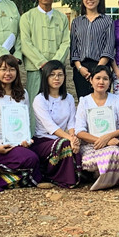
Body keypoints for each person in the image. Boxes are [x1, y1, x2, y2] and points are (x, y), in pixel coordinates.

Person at [0, 54, 41, 190]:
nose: (8, 73)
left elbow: (24, 120)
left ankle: (6, 174)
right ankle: (1, 174)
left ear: (17, 72)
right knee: (30, 159)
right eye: (3, 69)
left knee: (35, 158)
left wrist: (25, 140)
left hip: (18, 143)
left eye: (12, 69)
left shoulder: (23, 93)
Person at [72, 64, 119, 190]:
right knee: (93, 161)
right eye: (97, 78)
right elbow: (79, 131)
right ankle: (107, 176)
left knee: (115, 153)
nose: (101, 82)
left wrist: (109, 138)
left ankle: (102, 177)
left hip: (113, 143)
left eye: (105, 79)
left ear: (110, 82)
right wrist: (103, 140)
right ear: (91, 80)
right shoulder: (84, 101)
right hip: (92, 145)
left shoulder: (116, 99)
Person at [20, 0, 70, 106]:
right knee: (34, 104)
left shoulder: (62, 18)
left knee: (57, 103)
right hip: (35, 69)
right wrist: (42, 63)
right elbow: (25, 43)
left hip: (56, 71)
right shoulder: (27, 17)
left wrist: (54, 64)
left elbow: (66, 42)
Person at [31, 60, 80, 188]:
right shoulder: (40, 99)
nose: (56, 78)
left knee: (74, 144)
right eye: (52, 75)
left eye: (60, 75)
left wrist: (73, 137)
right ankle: (56, 177)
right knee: (64, 144)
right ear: (45, 77)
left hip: (63, 138)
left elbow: (72, 122)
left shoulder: (69, 98)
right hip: (43, 141)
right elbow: (50, 126)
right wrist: (70, 138)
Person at [70, 0, 116, 98]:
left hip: (101, 68)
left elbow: (109, 47)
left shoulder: (108, 21)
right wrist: (79, 68)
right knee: (84, 102)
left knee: (101, 102)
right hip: (81, 70)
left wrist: (97, 70)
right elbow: (74, 48)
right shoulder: (76, 22)